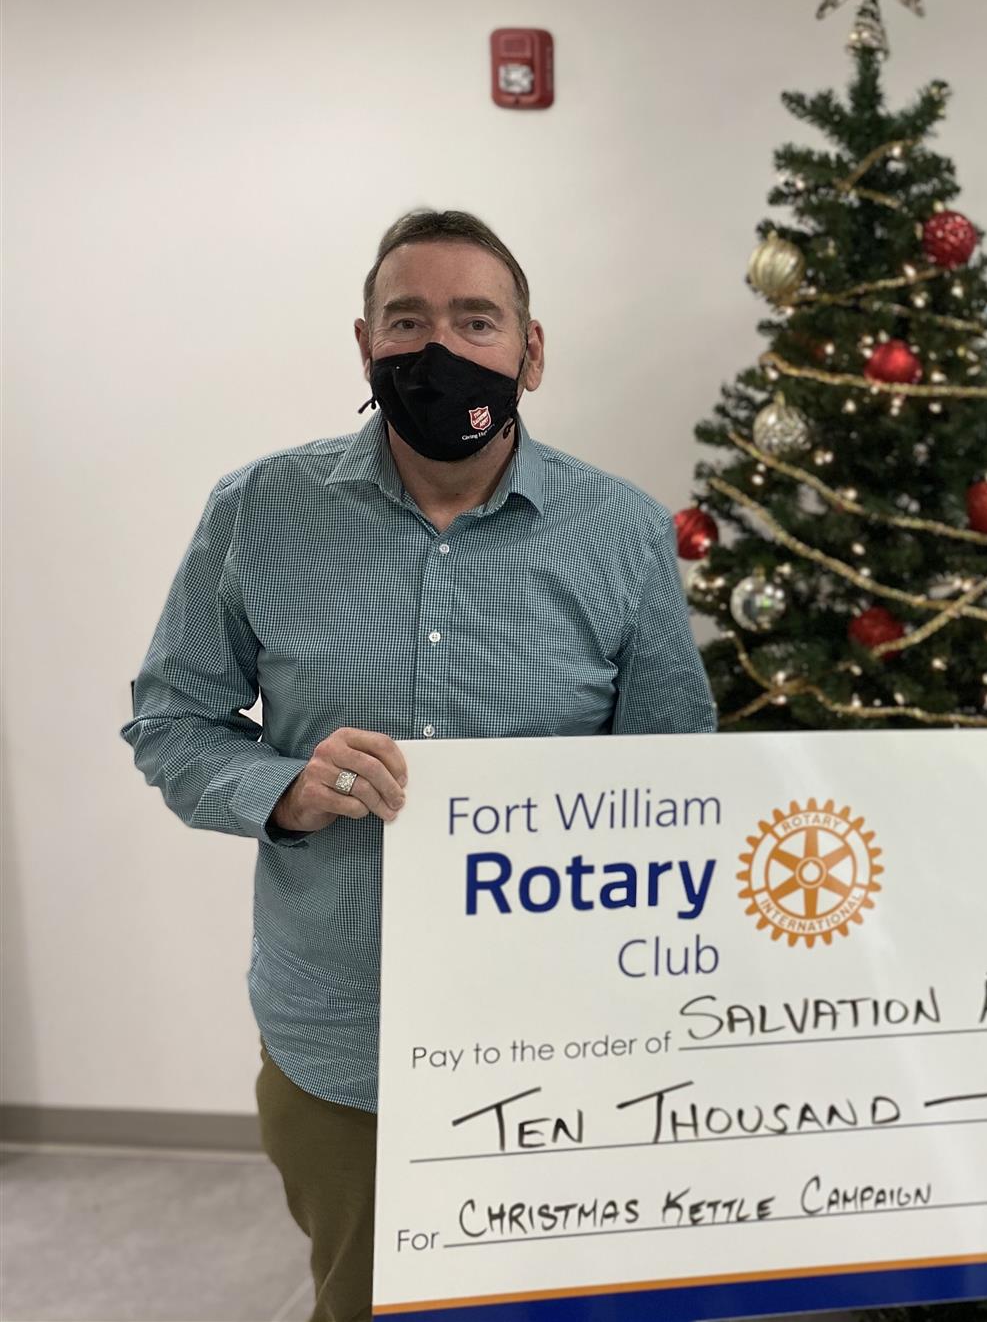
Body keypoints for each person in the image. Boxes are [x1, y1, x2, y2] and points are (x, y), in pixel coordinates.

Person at [123, 209, 716, 1322]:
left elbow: (680, 781)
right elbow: (171, 720)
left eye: (476, 321)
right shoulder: (259, 512)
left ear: (531, 352)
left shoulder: (623, 533)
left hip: (565, 1036)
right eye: (408, 321)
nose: (438, 349)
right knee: (368, 1304)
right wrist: (283, 790)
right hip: (345, 1037)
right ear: (365, 345)